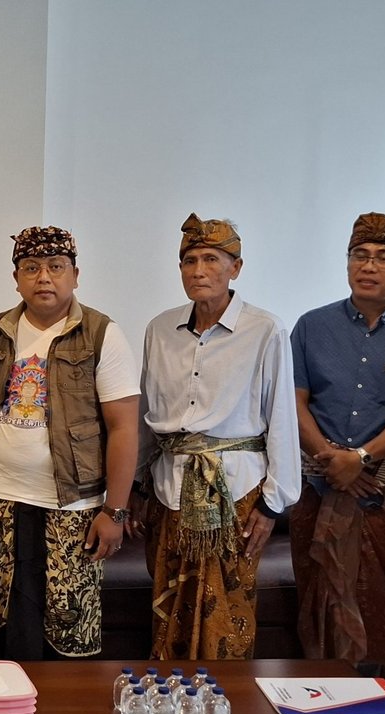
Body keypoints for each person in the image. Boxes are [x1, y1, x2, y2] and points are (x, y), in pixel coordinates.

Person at [288, 213, 385, 691]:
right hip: (318, 485)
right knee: (317, 598)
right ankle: (319, 702)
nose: (369, 266)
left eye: (383, 257)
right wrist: (331, 459)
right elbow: (293, 401)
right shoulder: (312, 326)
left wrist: (360, 459)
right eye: (359, 255)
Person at [134, 214, 301, 661]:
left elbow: (282, 417)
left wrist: (273, 504)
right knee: (169, 605)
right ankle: (170, 695)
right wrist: (135, 486)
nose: (199, 270)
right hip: (168, 490)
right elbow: (147, 412)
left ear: (236, 268)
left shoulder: (265, 330)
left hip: (236, 494)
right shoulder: (160, 329)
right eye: (189, 261)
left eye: (211, 259)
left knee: (226, 612)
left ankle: (225, 695)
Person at [0, 226, 138, 661]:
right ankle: (9, 702)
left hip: (73, 506)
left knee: (70, 631)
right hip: (2, 500)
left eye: (55, 266)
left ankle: (66, 707)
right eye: (31, 268)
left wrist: (115, 511)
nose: (44, 277)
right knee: (9, 626)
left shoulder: (101, 333)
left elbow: (124, 428)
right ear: (16, 278)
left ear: (75, 274)